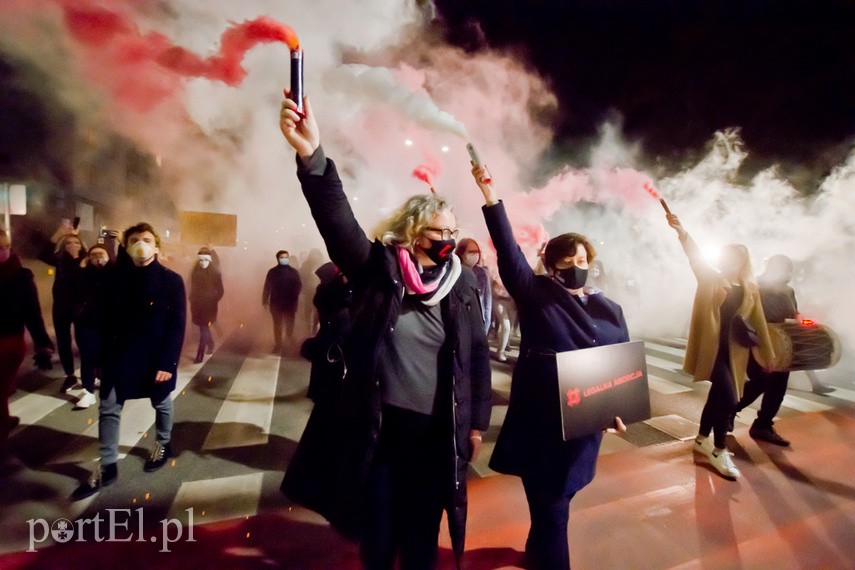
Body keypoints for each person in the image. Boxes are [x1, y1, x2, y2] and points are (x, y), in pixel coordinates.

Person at [279, 94, 492, 569]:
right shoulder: (380, 270)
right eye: (440, 233)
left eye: (454, 233)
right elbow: (338, 225)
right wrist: (313, 159)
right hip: (380, 429)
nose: (449, 243)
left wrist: (477, 421)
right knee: (378, 537)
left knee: (421, 539)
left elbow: (476, 358)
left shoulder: (461, 286)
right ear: (414, 233)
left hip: (436, 435)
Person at [470, 164, 628, 570]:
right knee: (553, 510)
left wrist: (618, 410)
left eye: (584, 258)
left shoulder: (607, 307)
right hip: (543, 428)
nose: (580, 264)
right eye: (571, 258)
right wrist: (490, 196)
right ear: (553, 264)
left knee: (556, 509)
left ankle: (538, 554)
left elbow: (619, 367)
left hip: (583, 431)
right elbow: (508, 252)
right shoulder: (537, 294)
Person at [72, 222, 186, 500]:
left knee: (161, 401)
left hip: (154, 356)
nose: (141, 244)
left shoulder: (171, 280)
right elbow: (94, 318)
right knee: (109, 409)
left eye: (147, 239)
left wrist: (167, 363)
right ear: (125, 246)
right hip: (118, 356)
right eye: (134, 239)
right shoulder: (112, 279)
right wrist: (96, 358)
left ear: (157, 247)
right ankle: (108, 464)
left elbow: (176, 325)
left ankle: (163, 442)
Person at [666, 213, 775, 480]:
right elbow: (694, 256)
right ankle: (718, 450)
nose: (732, 262)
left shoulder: (750, 287)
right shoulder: (711, 278)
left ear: (743, 261)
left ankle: (702, 438)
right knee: (728, 398)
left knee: (718, 397)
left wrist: (769, 354)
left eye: (737, 258)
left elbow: (759, 320)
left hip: (735, 351)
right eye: (728, 257)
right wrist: (682, 230)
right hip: (712, 349)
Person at [734, 254, 828, 446]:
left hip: (783, 345)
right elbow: (743, 315)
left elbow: (793, 314)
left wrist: (805, 322)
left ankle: (763, 425)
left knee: (778, 387)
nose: (789, 274)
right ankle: (730, 410)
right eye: (786, 269)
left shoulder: (788, 291)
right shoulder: (755, 286)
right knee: (759, 382)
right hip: (759, 343)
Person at [0, 230, 54, 452]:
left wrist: (43, 345)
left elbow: (32, 313)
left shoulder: (21, 276)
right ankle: (5, 419)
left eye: (0, 248)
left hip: (9, 342)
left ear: (8, 248)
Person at [39, 221, 86, 392]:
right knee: (63, 342)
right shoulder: (59, 261)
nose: (72, 245)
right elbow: (43, 254)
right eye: (68, 243)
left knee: (83, 341)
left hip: (81, 309)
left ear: (81, 246)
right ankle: (70, 375)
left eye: (76, 242)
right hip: (61, 308)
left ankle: (91, 372)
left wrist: (76, 257)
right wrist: (58, 233)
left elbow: (79, 278)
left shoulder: (86, 260)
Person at [72, 243, 116, 409]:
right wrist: (80, 267)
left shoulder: (114, 273)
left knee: (107, 358)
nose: (97, 257)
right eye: (94, 254)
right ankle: (88, 391)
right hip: (87, 324)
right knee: (88, 357)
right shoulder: (83, 274)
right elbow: (72, 288)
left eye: (101, 254)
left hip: (109, 325)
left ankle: (107, 387)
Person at [189, 247, 224, 363]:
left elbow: (220, 290)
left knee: (204, 328)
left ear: (209, 260)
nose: (203, 262)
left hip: (209, 306)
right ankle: (211, 343)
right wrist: (192, 298)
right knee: (203, 327)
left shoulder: (215, 273)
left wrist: (213, 300)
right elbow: (191, 287)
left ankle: (200, 354)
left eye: (205, 260)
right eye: (201, 260)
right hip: (197, 305)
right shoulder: (195, 272)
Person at [262, 250, 302, 353]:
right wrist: (265, 299)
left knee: (290, 324)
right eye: (282, 257)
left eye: (286, 257)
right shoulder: (272, 272)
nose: (284, 259)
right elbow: (267, 286)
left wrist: (295, 296)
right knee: (277, 325)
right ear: (278, 259)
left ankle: (290, 340)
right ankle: (278, 345)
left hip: (290, 303)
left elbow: (299, 286)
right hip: (276, 303)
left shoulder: (294, 272)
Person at [455, 238, 493, 335]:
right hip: (458, 321)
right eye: (471, 252)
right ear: (461, 253)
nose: (475, 255)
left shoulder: (483, 273)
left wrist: (486, 325)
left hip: (478, 321)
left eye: (477, 252)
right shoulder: (454, 272)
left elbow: (487, 300)